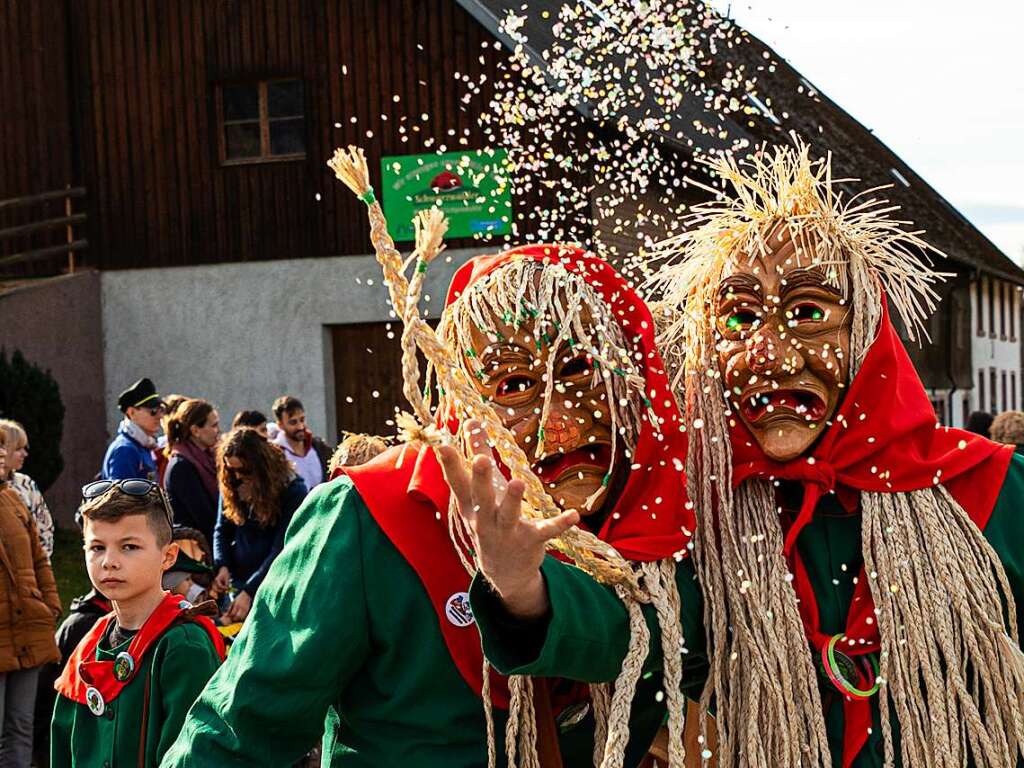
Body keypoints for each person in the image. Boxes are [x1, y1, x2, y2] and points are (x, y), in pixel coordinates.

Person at [469, 143, 1024, 767]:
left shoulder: (990, 488)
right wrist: (521, 591)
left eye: (810, 313)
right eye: (737, 318)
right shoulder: (691, 513)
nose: (774, 356)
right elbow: (636, 638)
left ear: (867, 333)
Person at [162, 245, 704, 767]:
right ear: (462, 398)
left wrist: (527, 595)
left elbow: (671, 648)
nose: (558, 420)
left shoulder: (659, 522)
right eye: (514, 384)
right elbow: (243, 729)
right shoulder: (368, 518)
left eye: (581, 369)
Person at [51, 479, 224, 768]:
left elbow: (191, 756)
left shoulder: (182, 645)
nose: (109, 561)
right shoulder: (90, 643)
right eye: (96, 547)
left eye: (129, 546)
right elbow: (62, 746)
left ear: (168, 556)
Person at [0, 434, 60, 768]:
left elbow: (40, 560)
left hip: (27, 628)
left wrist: (50, 607)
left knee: (21, 726)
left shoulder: (13, 499)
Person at [211, 428, 306, 624]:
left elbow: (282, 548)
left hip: (275, 583)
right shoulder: (232, 483)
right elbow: (222, 530)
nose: (238, 476)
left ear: (261, 466)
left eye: (244, 471)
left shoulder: (291, 489)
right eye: (232, 470)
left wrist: (250, 590)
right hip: (238, 581)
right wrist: (222, 565)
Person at [163, 399, 221, 543]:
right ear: (195, 430)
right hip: (195, 549)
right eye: (214, 425)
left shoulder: (208, 457)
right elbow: (205, 517)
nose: (218, 430)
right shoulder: (181, 466)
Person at [0, 419, 55, 559]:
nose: (25, 454)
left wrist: (39, 566)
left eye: (25, 448)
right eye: (18, 449)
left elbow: (45, 528)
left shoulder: (26, 484)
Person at [102, 378, 165, 481]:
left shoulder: (143, 445)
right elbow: (121, 496)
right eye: (153, 411)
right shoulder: (125, 450)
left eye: (161, 410)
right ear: (132, 412)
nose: (160, 416)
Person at [271, 396, 331, 493]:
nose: (300, 426)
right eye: (293, 422)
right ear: (280, 425)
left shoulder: (319, 447)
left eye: (302, 419)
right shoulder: (275, 455)